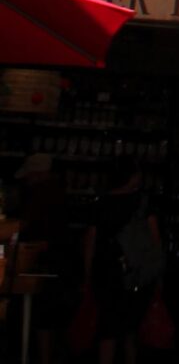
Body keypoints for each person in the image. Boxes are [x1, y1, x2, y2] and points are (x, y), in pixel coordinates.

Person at [83, 162, 163, 364]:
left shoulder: (100, 204)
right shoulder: (142, 203)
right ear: (133, 177)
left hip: (107, 271)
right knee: (132, 327)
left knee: (108, 327)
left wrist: (88, 274)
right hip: (138, 272)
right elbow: (155, 239)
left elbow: (90, 242)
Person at [15, 153, 67, 364]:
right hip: (56, 259)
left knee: (41, 313)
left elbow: (25, 225)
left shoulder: (40, 194)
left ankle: (40, 357)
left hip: (42, 260)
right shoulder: (59, 191)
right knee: (49, 314)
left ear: (36, 174)